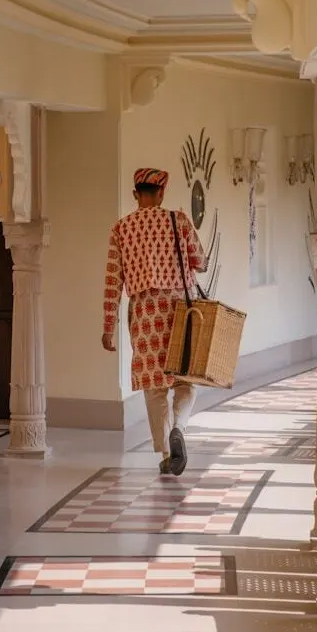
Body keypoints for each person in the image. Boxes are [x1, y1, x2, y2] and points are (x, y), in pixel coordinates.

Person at [102, 168, 207, 475]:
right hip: (179, 311)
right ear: (161, 193)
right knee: (186, 379)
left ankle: (165, 452)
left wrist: (108, 326)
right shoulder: (178, 220)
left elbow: (112, 281)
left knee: (154, 385)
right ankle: (179, 428)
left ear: (136, 194)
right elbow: (199, 261)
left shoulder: (121, 229)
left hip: (145, 314)